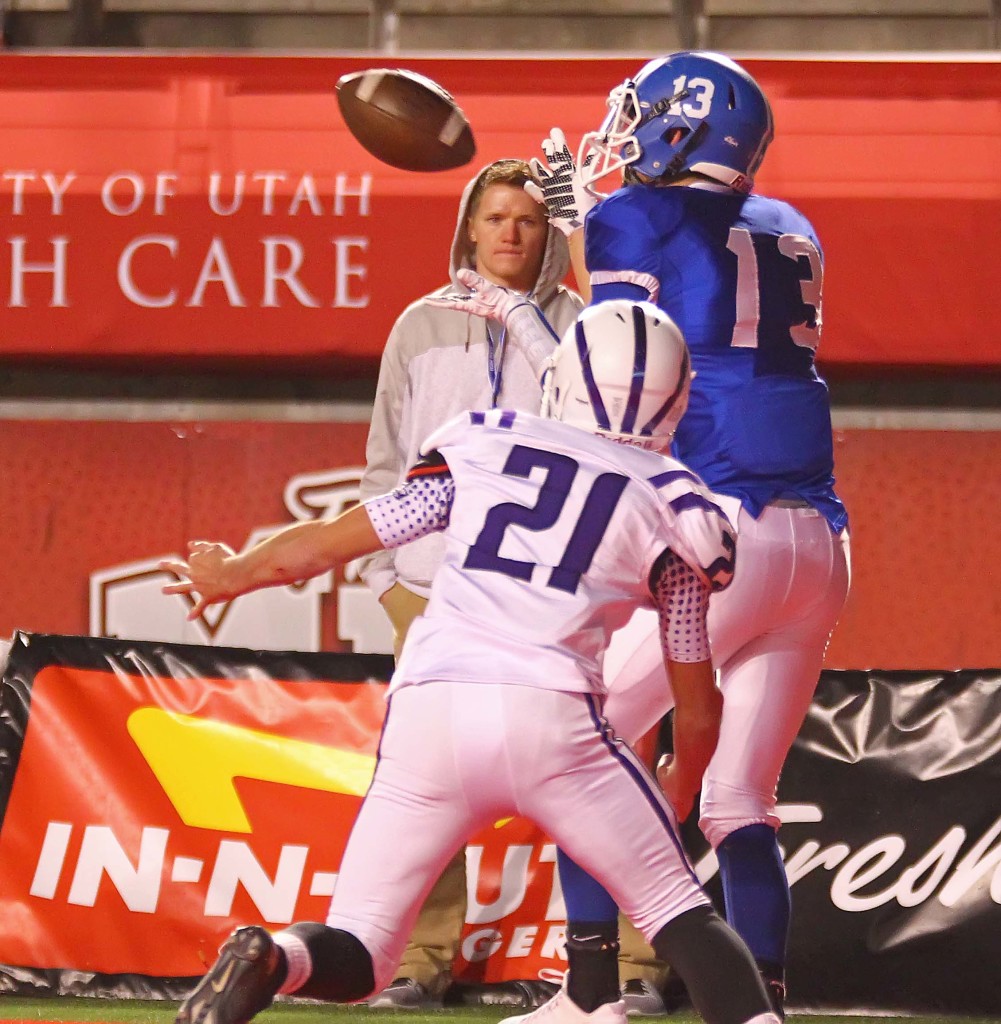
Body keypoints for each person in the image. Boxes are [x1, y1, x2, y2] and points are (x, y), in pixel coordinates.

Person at [164, 299, 778, 1024]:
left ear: (562, 379)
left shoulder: (488, 445)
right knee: (681, 916)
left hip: (431, 708)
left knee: (359, 951)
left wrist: (234, 573)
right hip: (552, 721)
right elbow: (696, 699)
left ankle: (273, 954)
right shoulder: (677, 505)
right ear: (677, 397)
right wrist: (680, 782)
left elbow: (334, 541)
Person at [483, 50, 851, 1020]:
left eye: (637, 115)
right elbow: (688, 291)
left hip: (718, 521)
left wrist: (571, 243)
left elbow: (613, 363)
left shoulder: (627, 218)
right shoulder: (789, 225)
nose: (622, 132)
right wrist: (584, 230)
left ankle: (588, 989)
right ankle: (761, 1000)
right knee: (737, 798)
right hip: (816, 539)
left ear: (687, 127)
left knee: (584, 739)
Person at [357, 157, 583, 1009]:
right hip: (432, 591)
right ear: (469, 228)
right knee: (423, 777)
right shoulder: (419, 324)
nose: (510, 233)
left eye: (526, 219)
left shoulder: (577, 327)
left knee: (598, 765)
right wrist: (388, 578)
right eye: (494, 218)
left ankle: (622, 964)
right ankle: (419, 958)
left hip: (547, 588)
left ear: (549, 234)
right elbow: (386, 454)